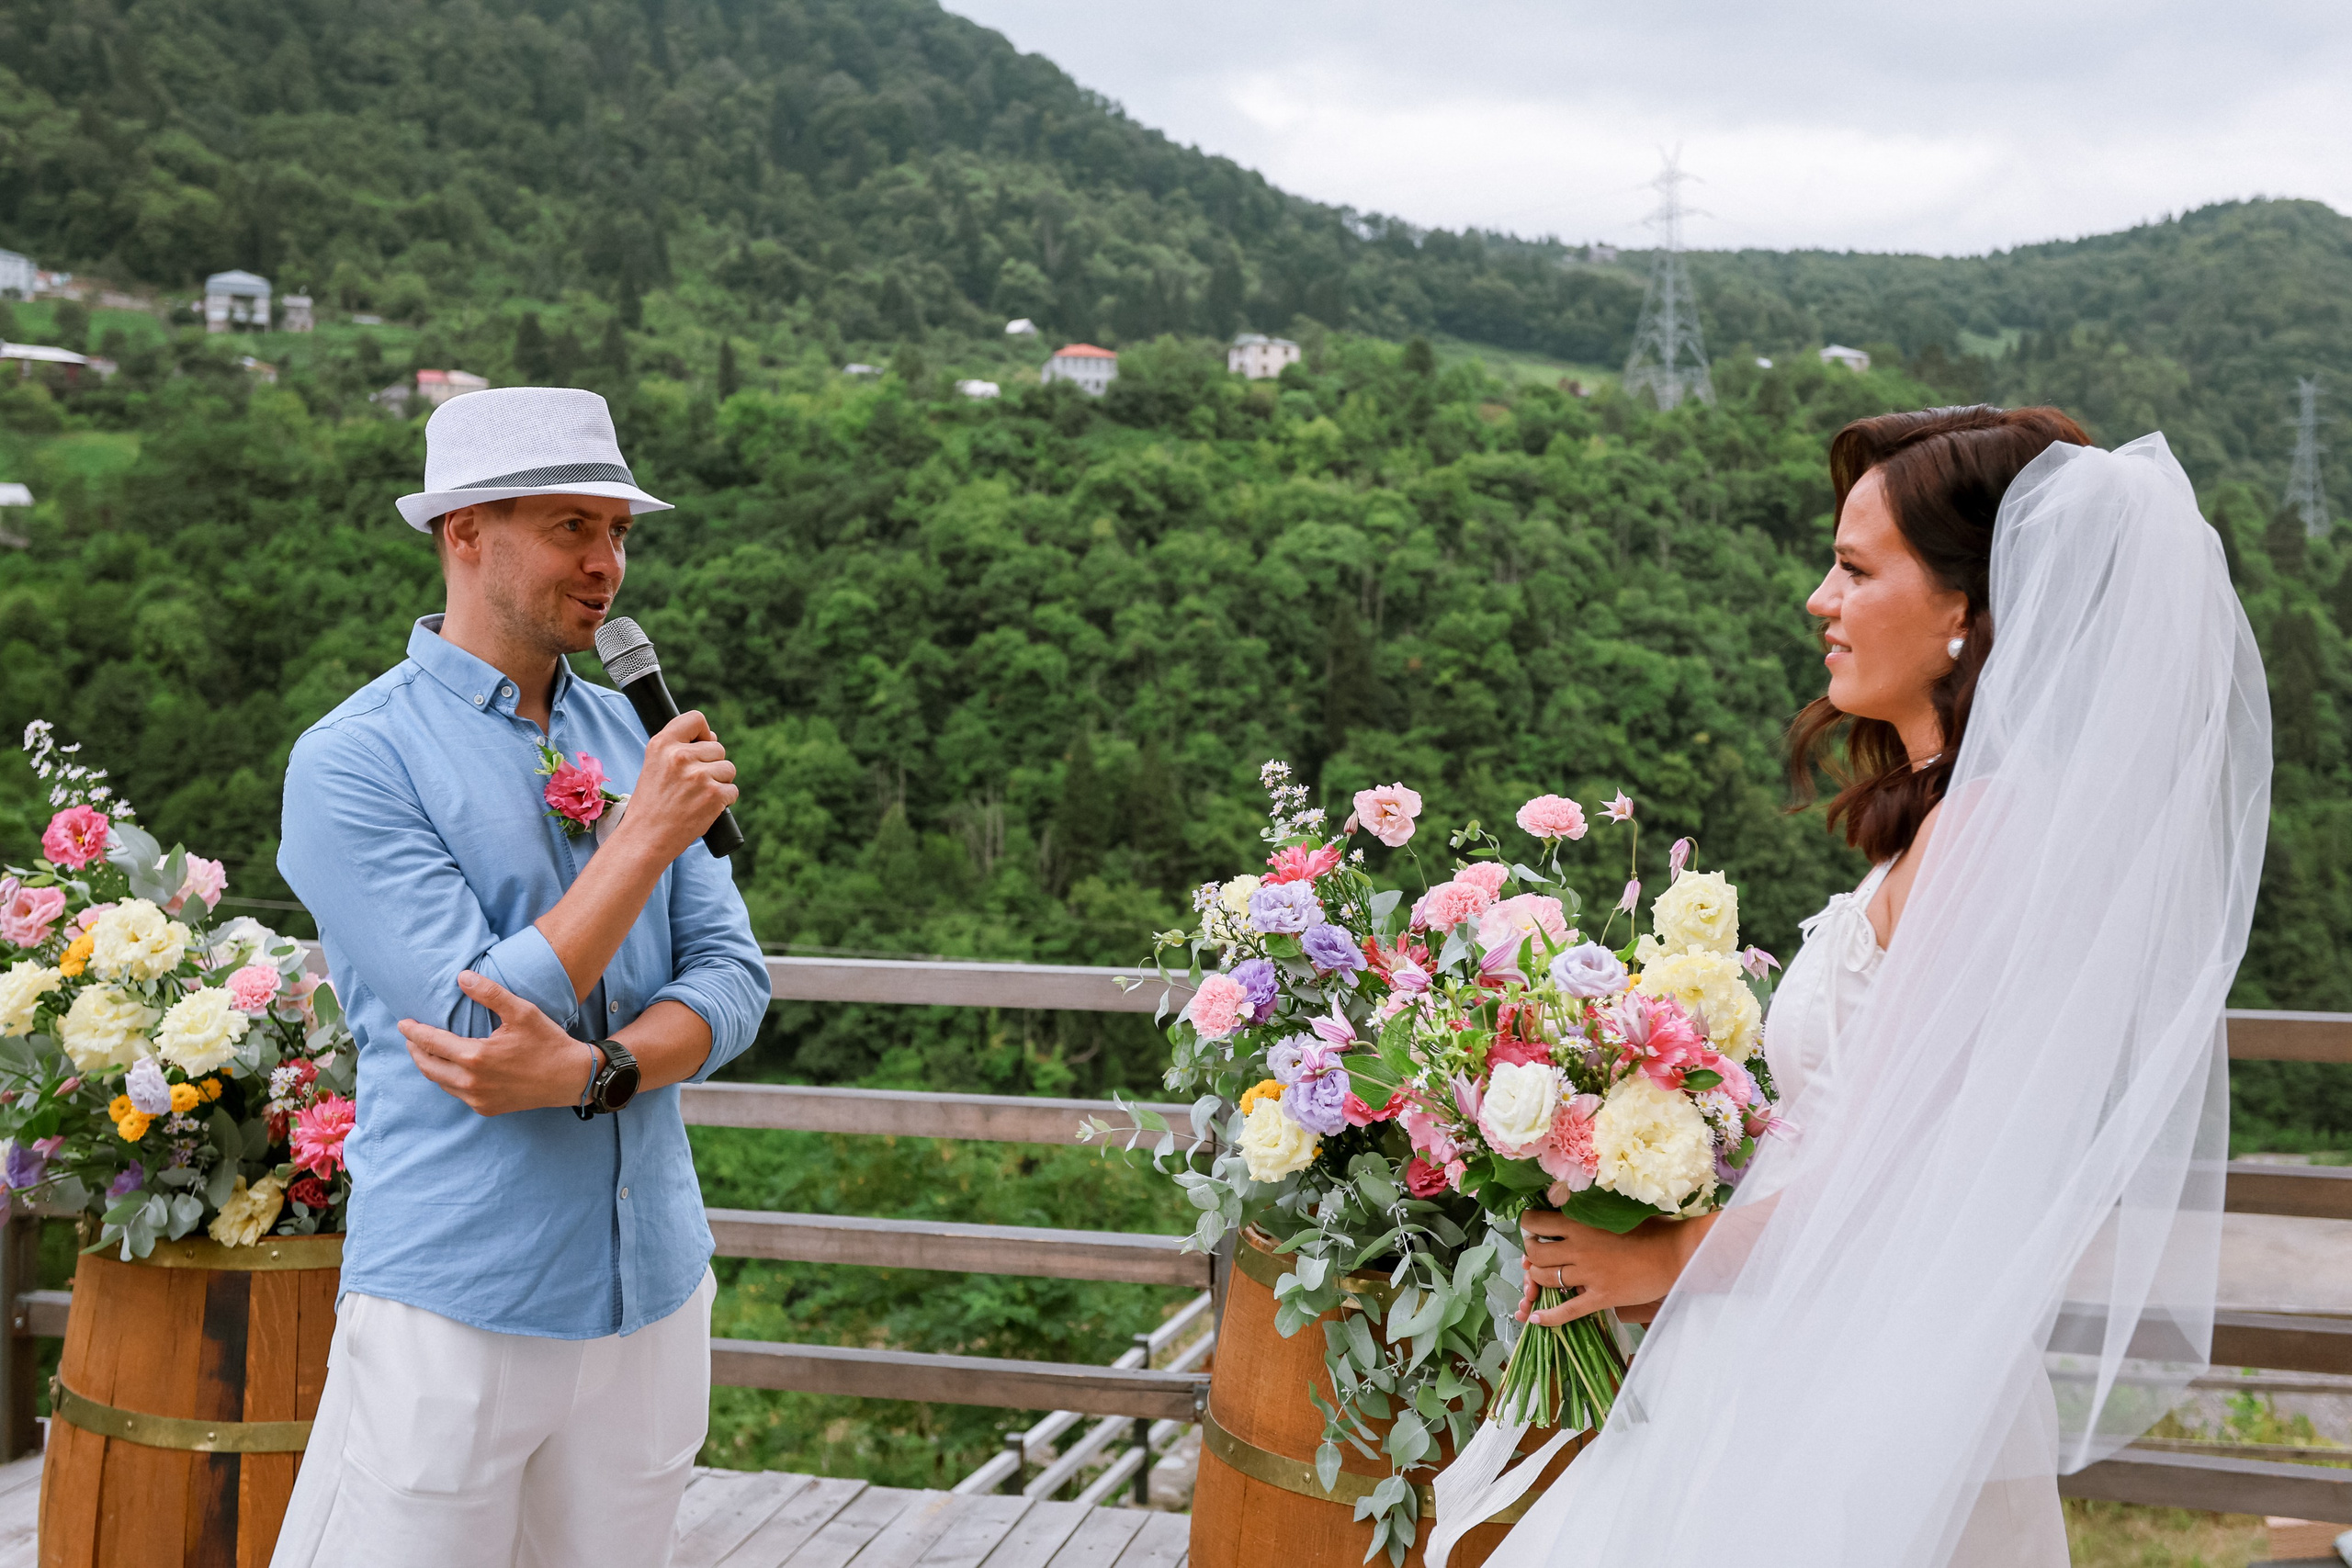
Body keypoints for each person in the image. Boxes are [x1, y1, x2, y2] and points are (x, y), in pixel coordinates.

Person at [1493, 407, 2269, 1565]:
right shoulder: (1946, 823)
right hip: (1804, 1336)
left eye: (1854, 569)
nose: (1820, 598)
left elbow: (1899, 1181)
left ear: (1965, 609)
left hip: (1848, 1364)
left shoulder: (1984, 833)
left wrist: (1661, 1257)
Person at [271, 387, 771, 1568]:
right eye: (571, 528)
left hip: (652, 1286)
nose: (607, 566)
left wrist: (599, 1073)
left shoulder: (633, 742)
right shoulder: (354, 760)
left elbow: (735, 980)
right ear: (464, 533)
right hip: (458, 1293)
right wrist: (643, 837)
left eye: (619, 533)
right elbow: (468, 1023)